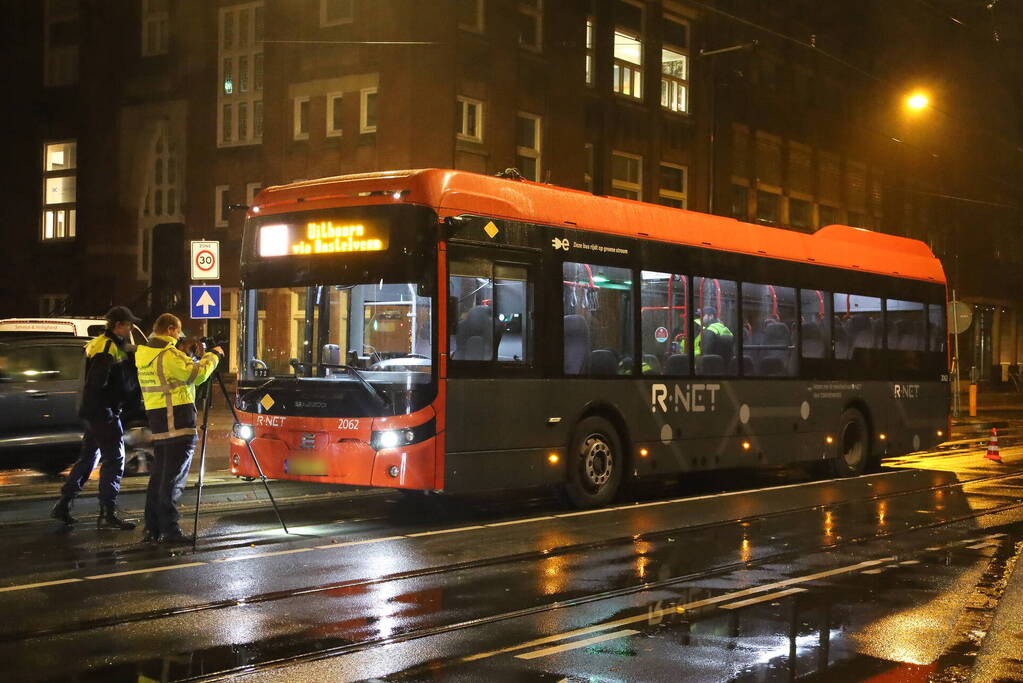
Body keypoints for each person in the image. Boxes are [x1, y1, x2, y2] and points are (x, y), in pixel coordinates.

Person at [51, 306, 145, 529]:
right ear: (118, 325)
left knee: (89, 458)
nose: (130, 328)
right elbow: (96, 383)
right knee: (115, 459)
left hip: (95, 413)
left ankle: (63, 505)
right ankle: (107, 513)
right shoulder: (107, 348)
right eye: (128, 324)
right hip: (103, 413)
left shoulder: (101, 343)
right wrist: (109, 411)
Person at [135, 313, 223, 544]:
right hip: (178, 421)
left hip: (160, 421)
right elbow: (197, 375)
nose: (179, 336)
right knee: (172, 479)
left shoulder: (145, 354)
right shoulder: (168, 354)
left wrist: (190, 356)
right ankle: (170, 530)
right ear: (171, 329)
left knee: (159, 478)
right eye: (178, 331)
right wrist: (213, 356)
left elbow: (175, 375)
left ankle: (152, 528)